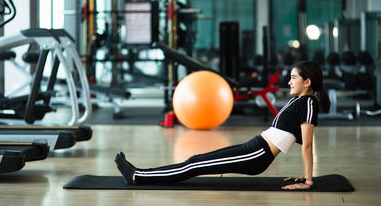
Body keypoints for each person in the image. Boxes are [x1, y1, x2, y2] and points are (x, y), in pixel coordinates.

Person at [115, 61, 331, 190]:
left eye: (294, 78)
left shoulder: (308, 103)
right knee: (195, 161)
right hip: (255, 147)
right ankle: (139, 174)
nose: (289, 82)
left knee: (195, 165)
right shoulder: (299, 100)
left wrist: (308, 181)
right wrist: (304, 175)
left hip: (257, 155)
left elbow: (307, 145)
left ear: (308, 82)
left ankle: (136, 177)